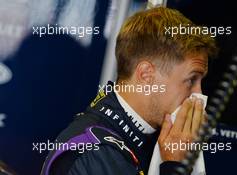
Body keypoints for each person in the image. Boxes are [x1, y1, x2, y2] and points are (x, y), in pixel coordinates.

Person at [41, 7, 217, 175]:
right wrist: (174, 166)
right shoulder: (95, 151)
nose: (198, 95)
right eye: (191, 80)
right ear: (146, 75)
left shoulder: (155, 141)